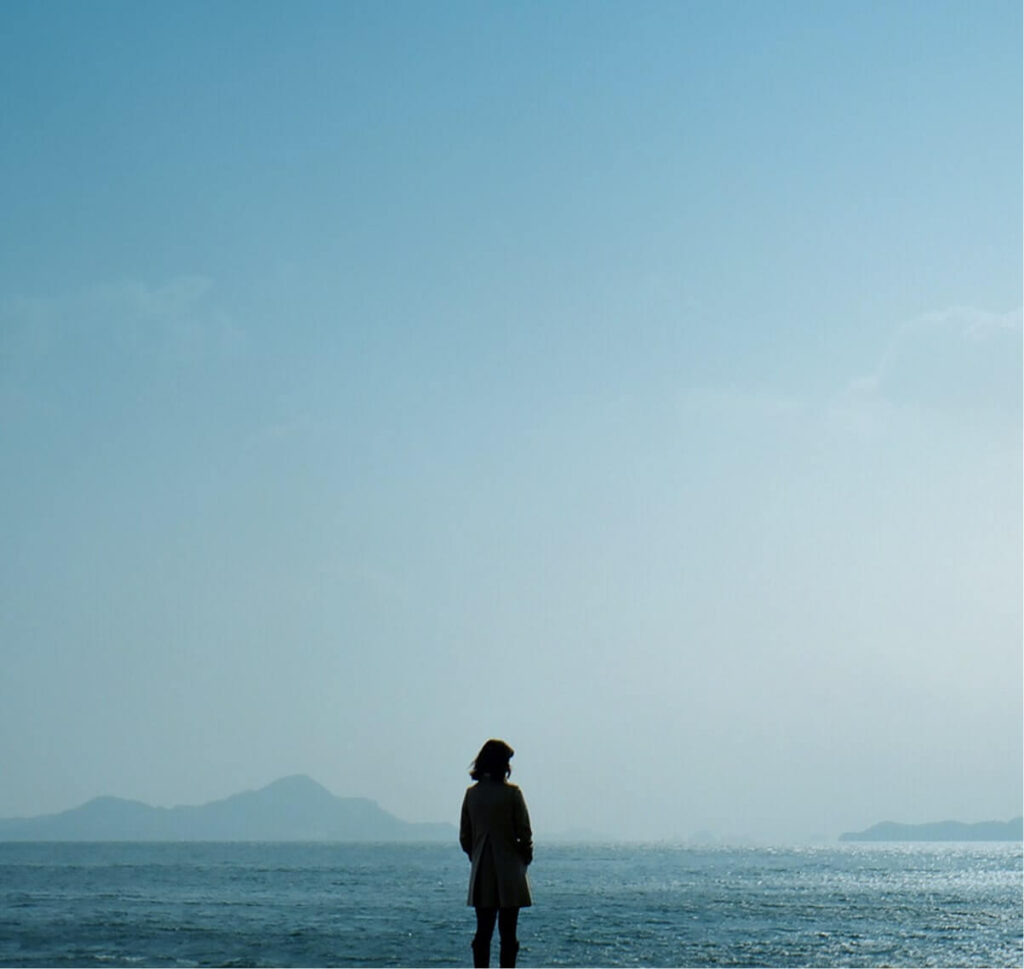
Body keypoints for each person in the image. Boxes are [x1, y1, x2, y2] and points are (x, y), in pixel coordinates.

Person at [460, 739, 533, 968]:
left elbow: (465, 837)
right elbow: (525, 831)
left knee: (483, 932)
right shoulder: (512, 794)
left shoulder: (472, 795)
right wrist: (524, 856)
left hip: (482, 870)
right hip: (510, 870)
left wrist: (477, 855)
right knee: (508, 934)